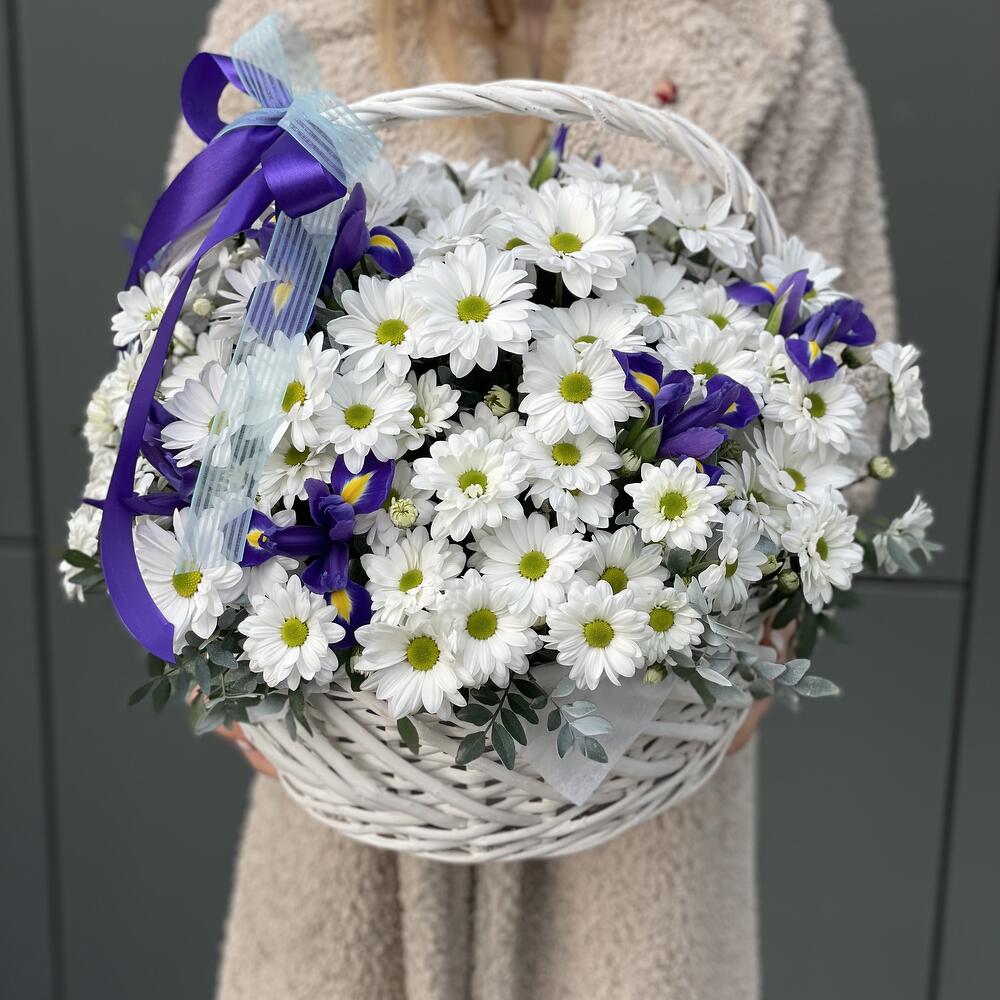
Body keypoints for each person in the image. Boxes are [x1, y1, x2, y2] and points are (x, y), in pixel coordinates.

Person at [168, 2, 895, 998]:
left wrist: (752, 627)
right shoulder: (279, 27)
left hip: (640, 764)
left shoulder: (767, 33)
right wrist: (216, 635)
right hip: (355, 760)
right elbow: (191, 352)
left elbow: (846, 397)